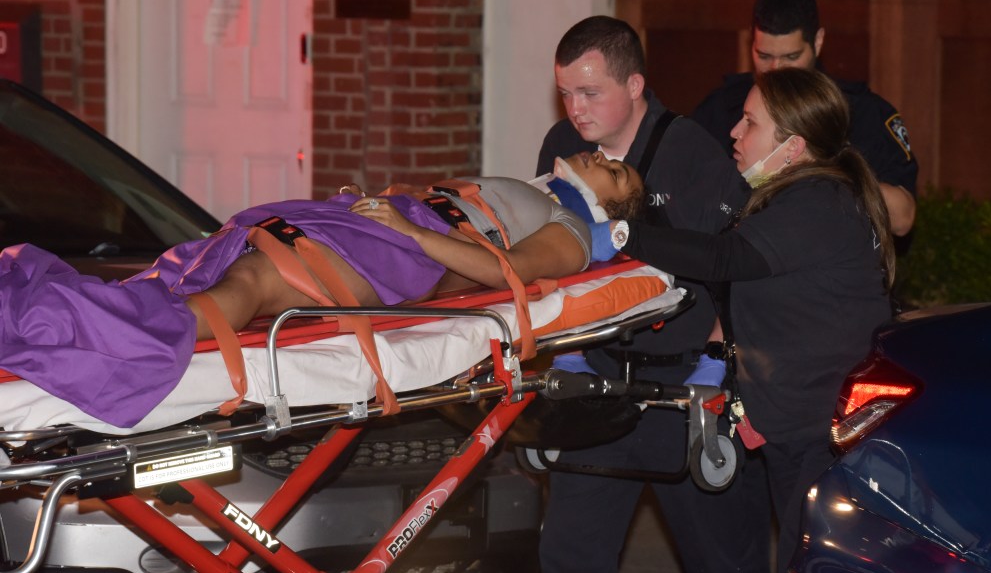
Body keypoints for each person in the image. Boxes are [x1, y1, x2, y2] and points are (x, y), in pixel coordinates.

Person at [0, 153, 643, 429]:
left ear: (609, 208)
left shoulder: (571, 230)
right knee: (205, 267)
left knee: (252, 283)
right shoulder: (544, 190)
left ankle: (71, 333)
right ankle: (66, 317)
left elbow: (505, 274)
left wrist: (409, 236)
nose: (597, 155)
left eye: (613, 169)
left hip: (399, 248)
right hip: (381, 228)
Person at [597, 67, 895, 573]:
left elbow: (722, 260)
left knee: (808, 572)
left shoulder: (817, 202)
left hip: (821, 438)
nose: (734, 132)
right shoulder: (803, 195)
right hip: (800, 429)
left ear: (794, 145)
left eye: (751, 123)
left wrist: (622, 232)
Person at [535, 15, 764, 573]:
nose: (575, 110)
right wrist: (565, 352)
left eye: (590, 93)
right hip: (596, 377)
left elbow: (736, 273)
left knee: (722, 566)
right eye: (565, 93)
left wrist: (716, 364)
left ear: (635, 85)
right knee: (569, 558)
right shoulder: (563, 148)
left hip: (685, 388)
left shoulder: (693, 155)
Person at [691, 0, 919, 236]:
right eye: (764, 56)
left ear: (818, 42)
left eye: (791, 57)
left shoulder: (862, 113)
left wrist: (824, 170)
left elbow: (903, 218)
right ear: (751, 41)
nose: (776, 70)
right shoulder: (723, 107)